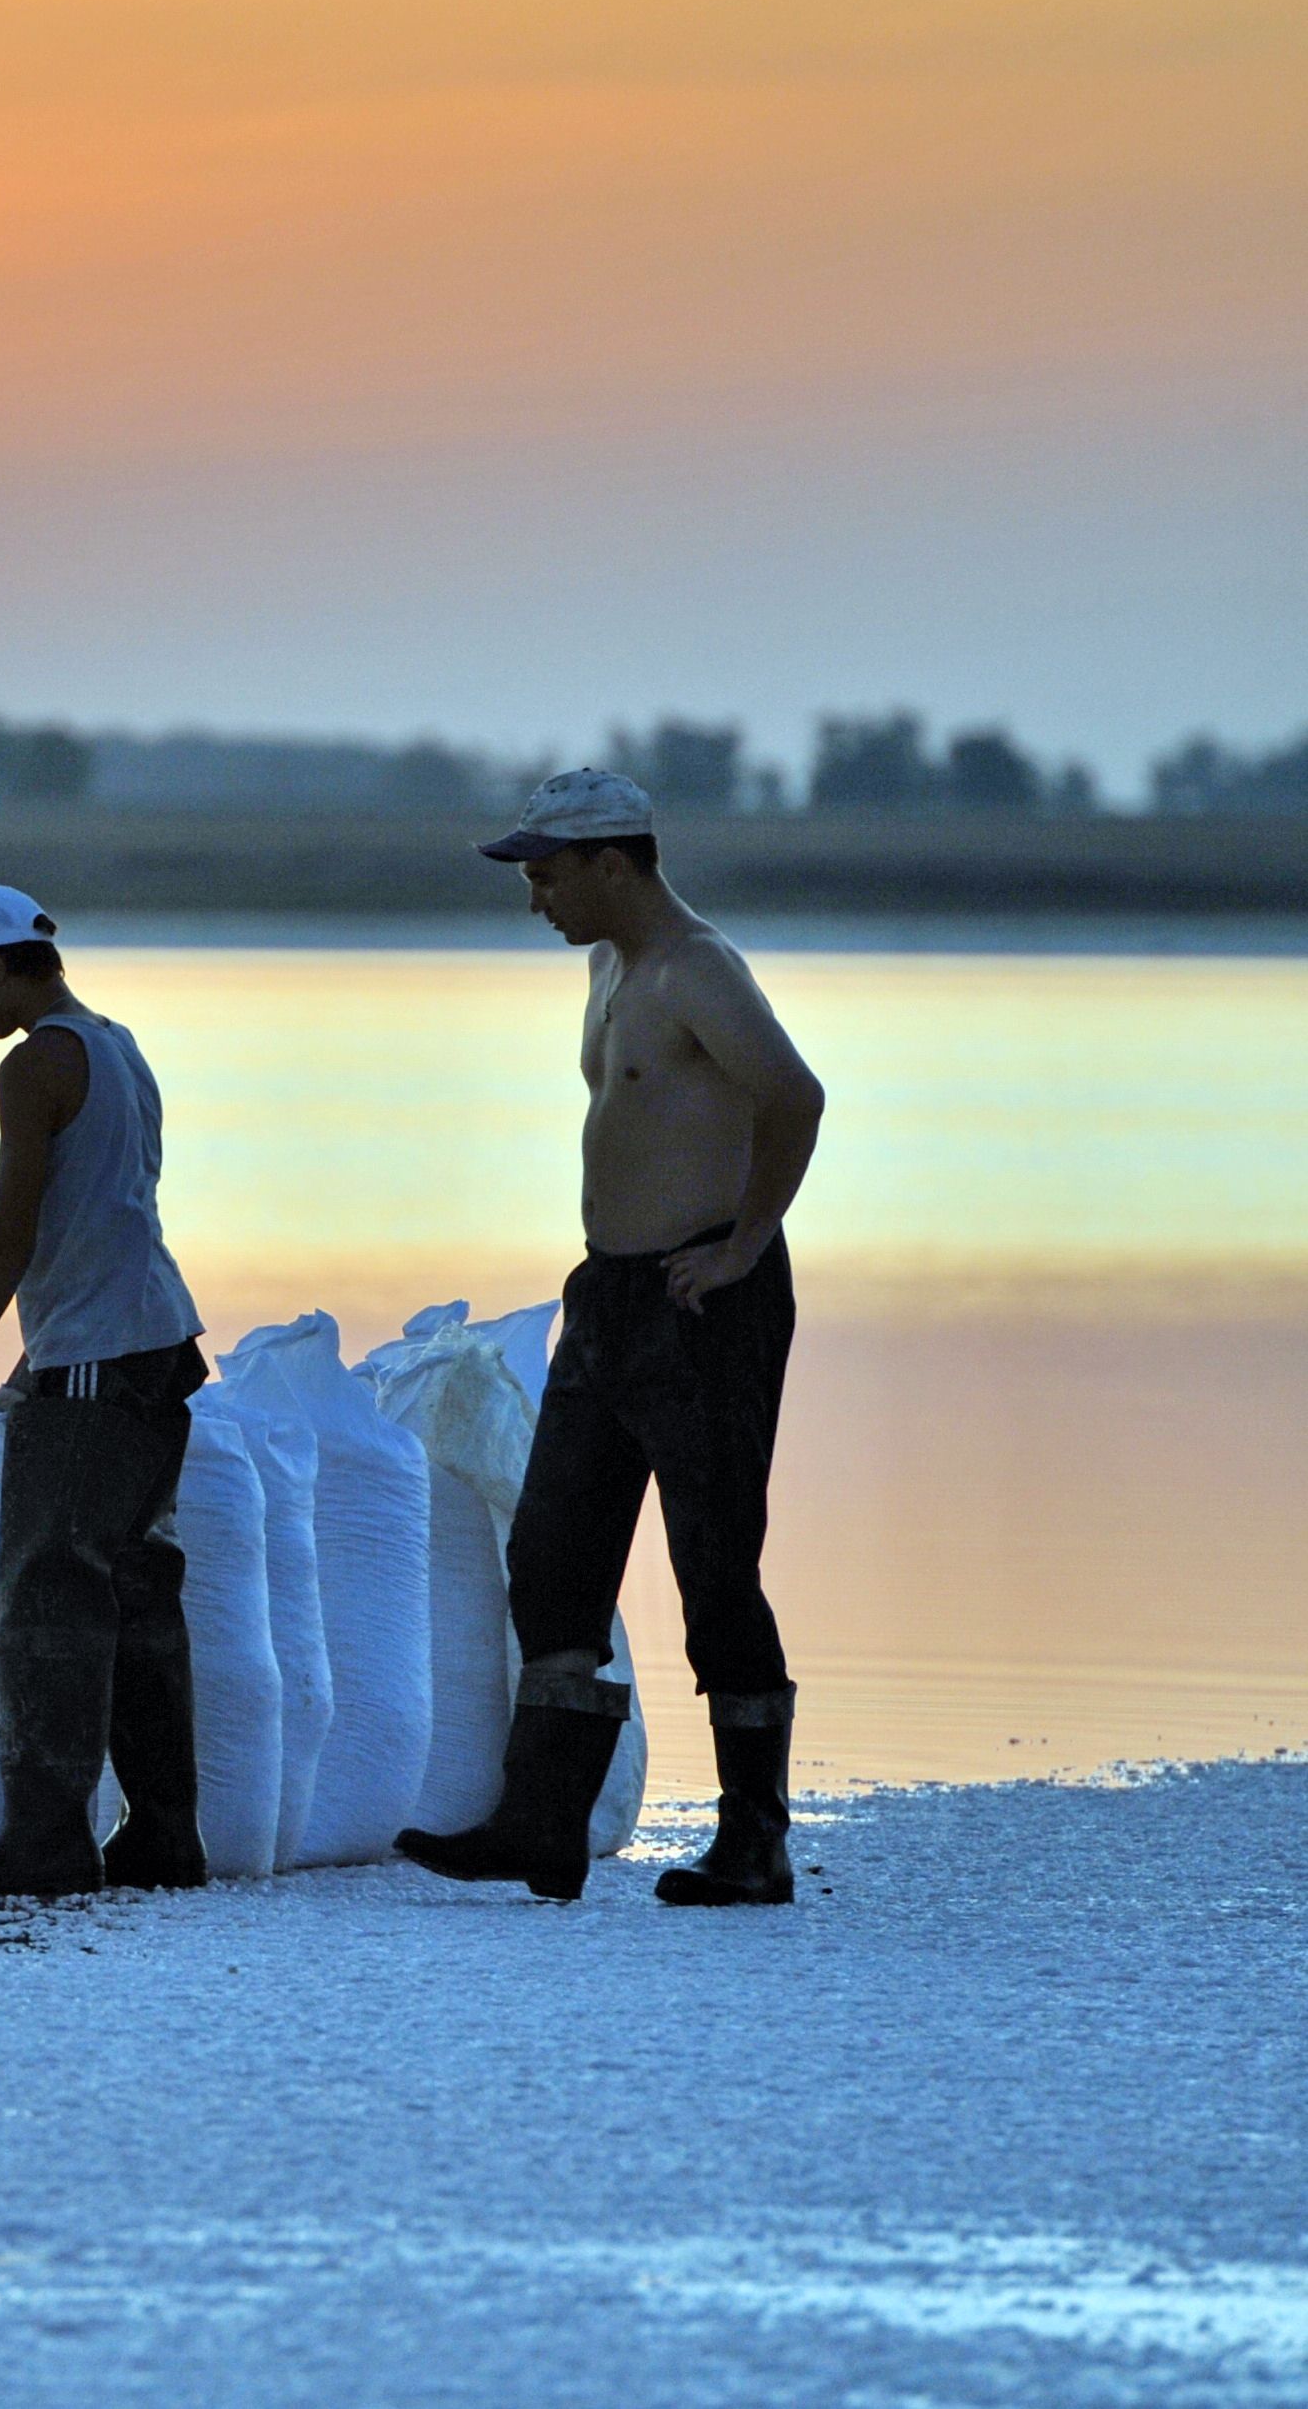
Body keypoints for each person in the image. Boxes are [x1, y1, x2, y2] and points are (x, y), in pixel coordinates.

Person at [400, 769, 825, 1907]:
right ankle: (541, 1822)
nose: (534, 896)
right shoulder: (607, 966)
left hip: (703, 1301)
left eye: (546, 874)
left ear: (612, 863)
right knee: (549, 1557)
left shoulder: (697, 968)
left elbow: (794, 1096)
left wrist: (740, 1245)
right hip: (608, 1298)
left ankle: (753, 1841)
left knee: (711, 1566)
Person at [0, 886, 213, 1899]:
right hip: (154, 1342)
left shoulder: (32, 1062)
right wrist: (24, 1374)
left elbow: (14, 1237)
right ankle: (165, 1836)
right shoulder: (117, 1045)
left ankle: (45, 1839)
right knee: (135, 1590)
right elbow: (109, 1218)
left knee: (49, 1590)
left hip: (94, 1357)